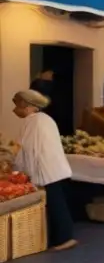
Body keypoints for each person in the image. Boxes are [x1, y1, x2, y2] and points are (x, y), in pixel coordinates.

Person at [11, 90, 76, 251]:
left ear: (26, 106)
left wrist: (18, 169)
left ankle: (64, 239)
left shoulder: (32, 122)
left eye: (17, 105)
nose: (15, 110)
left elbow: (25, 149)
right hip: (53, 168)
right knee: (57, 202)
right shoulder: (45, 119)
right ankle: (61, 237)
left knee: (55, 204)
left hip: (45, 169)